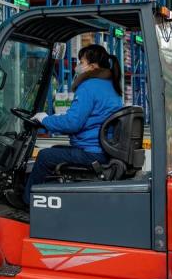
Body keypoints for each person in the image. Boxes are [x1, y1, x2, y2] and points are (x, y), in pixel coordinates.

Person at [14, 44, 124, 207]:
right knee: (55, 151)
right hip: (102, 150)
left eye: (81, 62)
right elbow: (88, 117)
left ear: (92, 67)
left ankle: (27, 203)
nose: (77, 66)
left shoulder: (88, 86)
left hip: (92, 152)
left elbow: (73, 124)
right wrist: (56, 119)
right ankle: (46, 194)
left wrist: (45, 120)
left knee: (45, 156)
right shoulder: (111, 86)